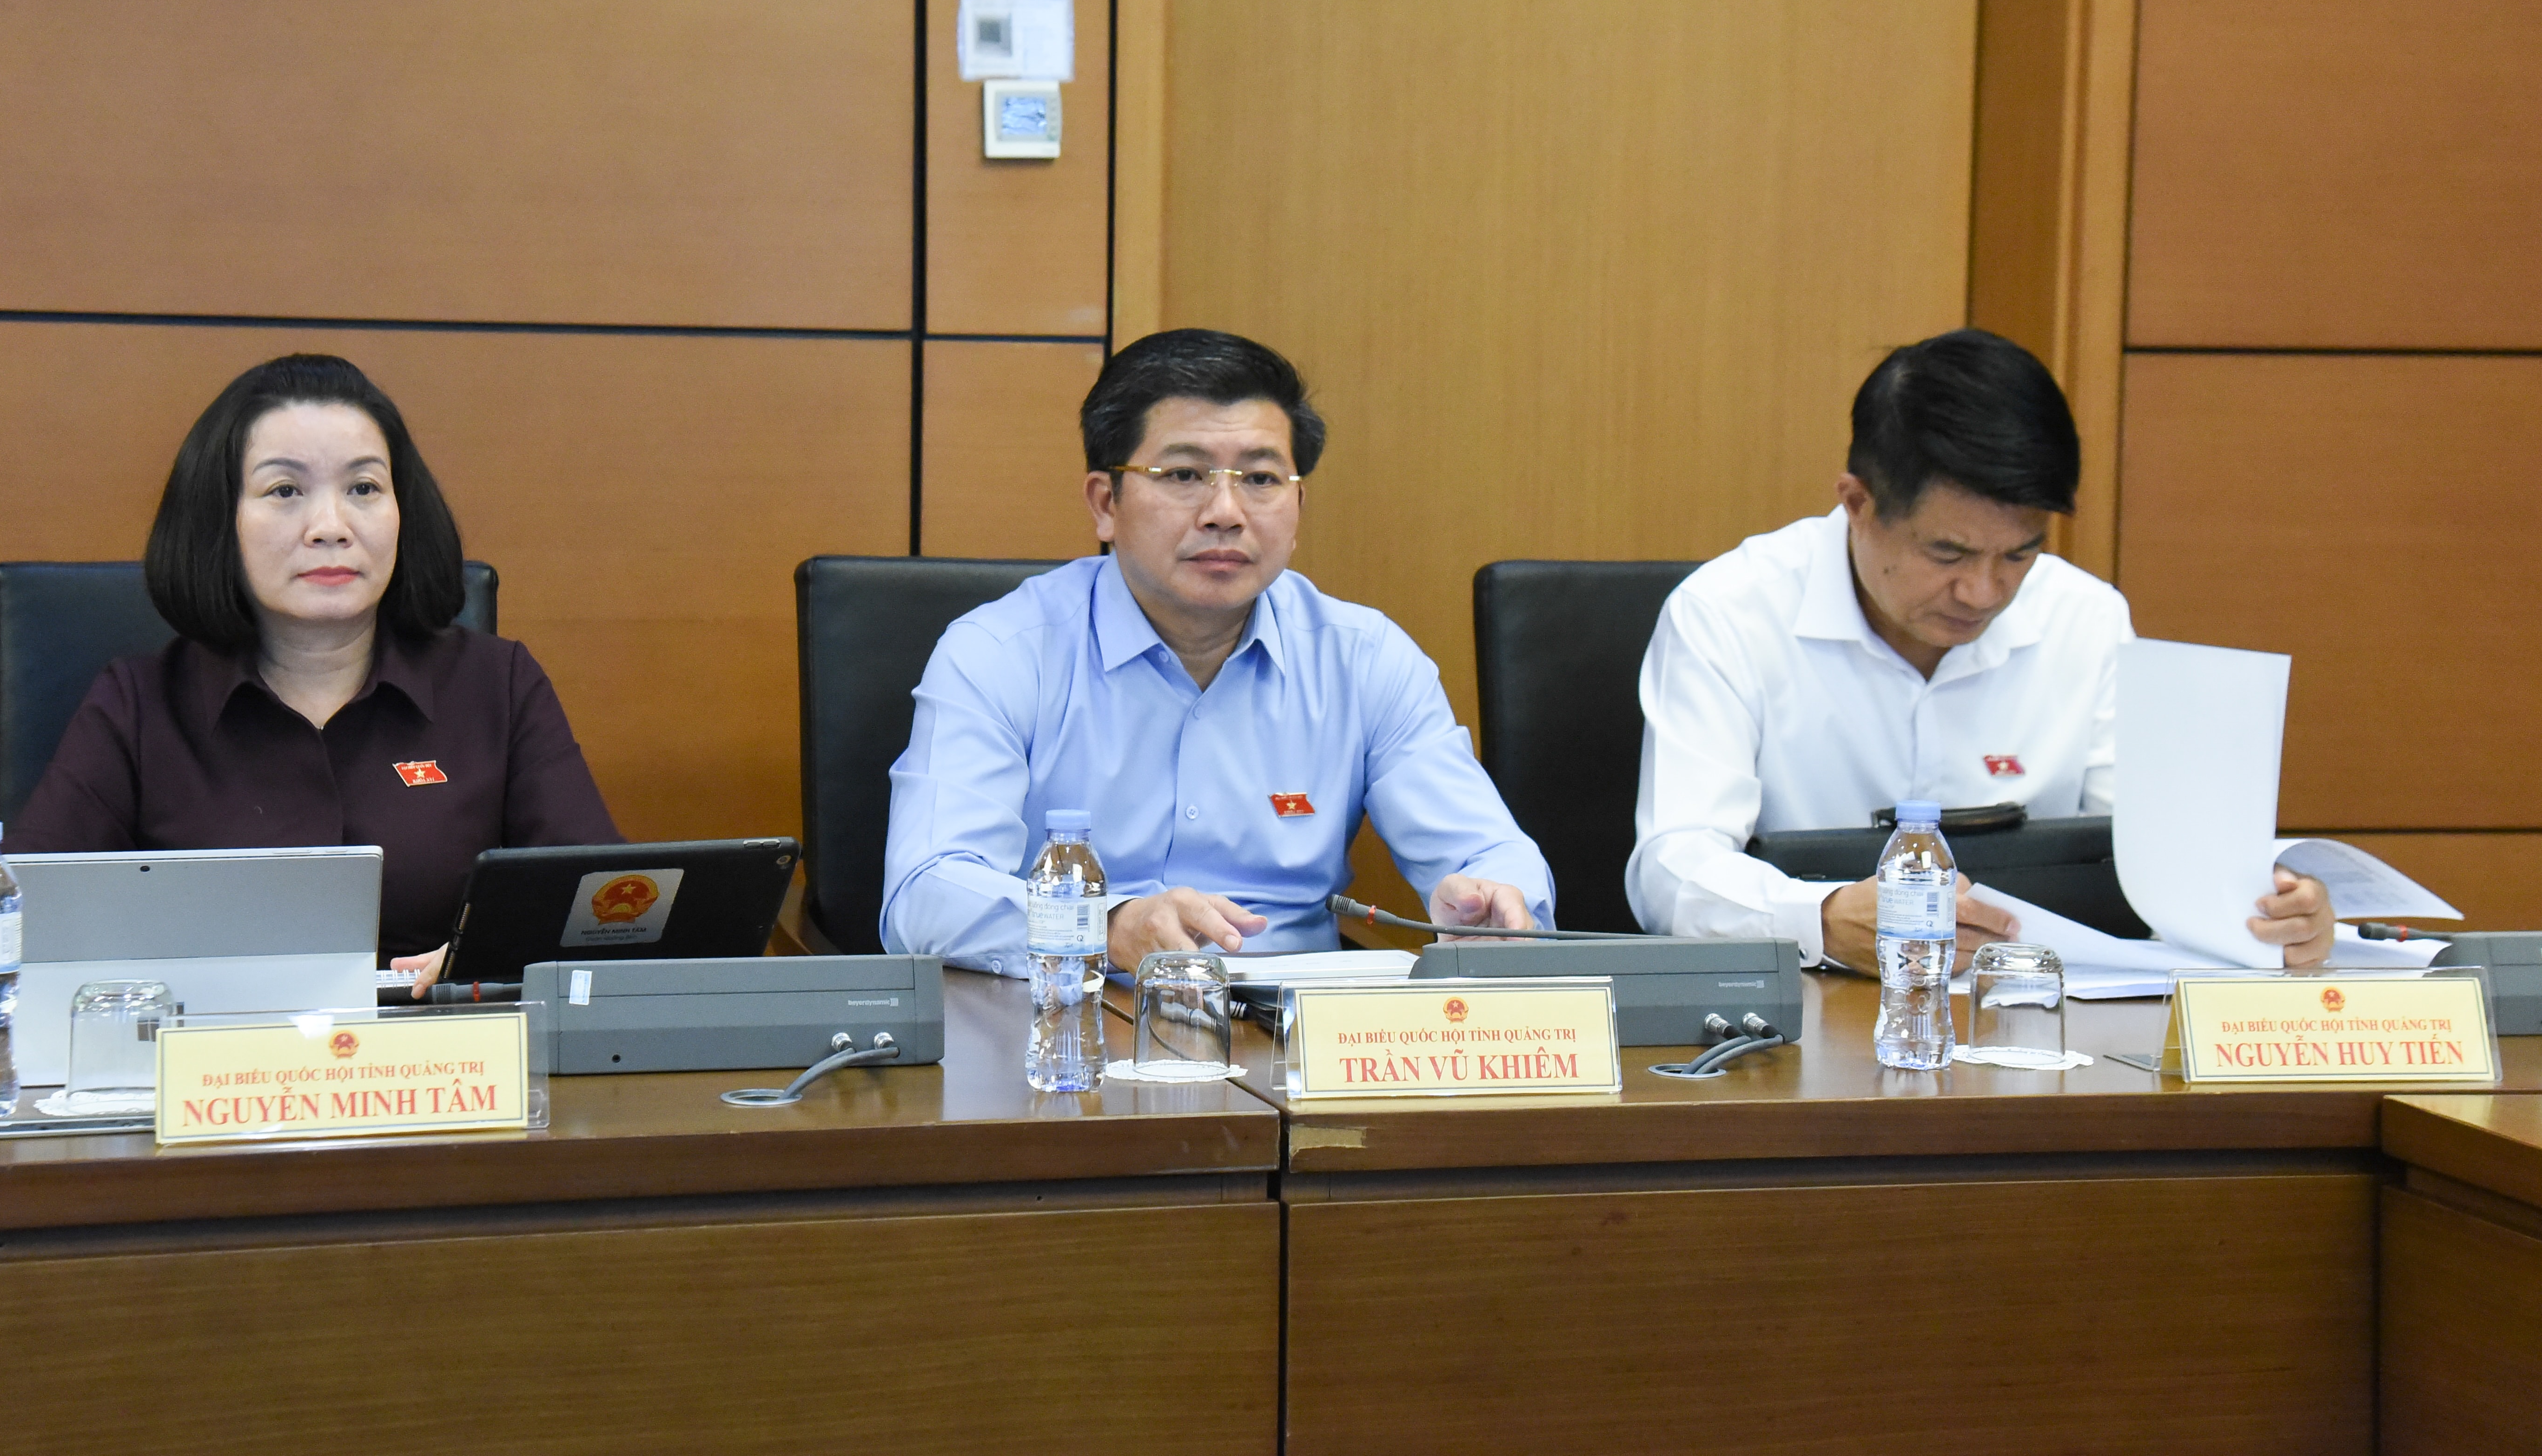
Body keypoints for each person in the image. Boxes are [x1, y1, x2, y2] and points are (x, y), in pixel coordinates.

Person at [1626, 328, 2336, 970]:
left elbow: (2157, 860)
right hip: (1813, 1015)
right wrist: (1824, 918)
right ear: (1858, 504)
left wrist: (2269, 915)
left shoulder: (2084, 618)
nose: (1984, 592)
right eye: (1948, 553)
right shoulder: (1729, 613)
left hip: (2043, 1017)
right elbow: (1672, 869)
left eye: (2019, 555)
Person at [882, 329, 1552, 974]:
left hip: (1292, 1031)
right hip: (1075, 1020)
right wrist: (1106, 927)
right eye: (1183, 474)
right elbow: (926, 892)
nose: (1225, 511)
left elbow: (1490, 853)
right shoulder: (1003, 653)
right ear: (1106, 504)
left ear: (1298, 505)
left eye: (1260, 479)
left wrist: (1492, 902)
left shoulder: (1364, 658)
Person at [7, 354, 619, 987]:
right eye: (285, 491)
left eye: (364, 489)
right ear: (220, 521)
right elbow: (20, 930)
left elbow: (606, 914)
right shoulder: (139, 708)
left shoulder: (498, 686)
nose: (331, 528)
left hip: (444, 1042)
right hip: (216, 1042)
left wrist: (490, 958)